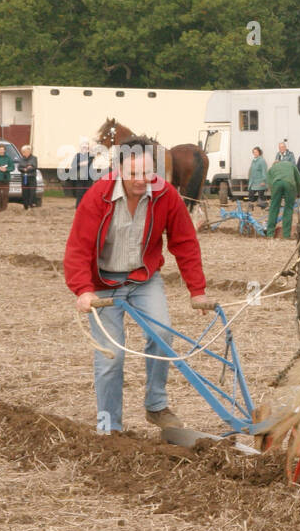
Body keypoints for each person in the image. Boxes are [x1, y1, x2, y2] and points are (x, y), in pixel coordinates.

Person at [63, 136, 209, 434]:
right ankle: (109, 426)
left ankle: (156, 406)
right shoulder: (98, 196)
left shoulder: (165, 195)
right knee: (111, 357)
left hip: (143, 279)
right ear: (118, 171)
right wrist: (83, 290)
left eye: (146, 173)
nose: (141, 180)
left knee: (163, 334)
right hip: (103, 283)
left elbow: (184, 242)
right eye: (133, 174)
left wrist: (197, 290)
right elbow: (78, 247)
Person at [265, 157, 300, 239]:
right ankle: (286, 235)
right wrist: (298, 193)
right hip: (289, 183)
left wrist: (274, 193)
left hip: (276, 184)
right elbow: (299, 181)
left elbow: (269, 183)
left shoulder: (271, 169)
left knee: (274, 208)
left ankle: (270, 233)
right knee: (288, 209)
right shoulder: (290, 165)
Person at [19, 145, 39, 209]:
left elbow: (34, 166)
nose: (23, 153)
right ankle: (25, 206)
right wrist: (25, 168)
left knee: (32, 191)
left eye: (24, 151)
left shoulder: (34, 158)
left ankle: (31, 204)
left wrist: (27, 168)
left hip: (31, 177)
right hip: (24, 177)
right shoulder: (21, 159)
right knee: (24, 192)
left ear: (29, 151)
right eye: (22, 152)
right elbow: (19, 167)